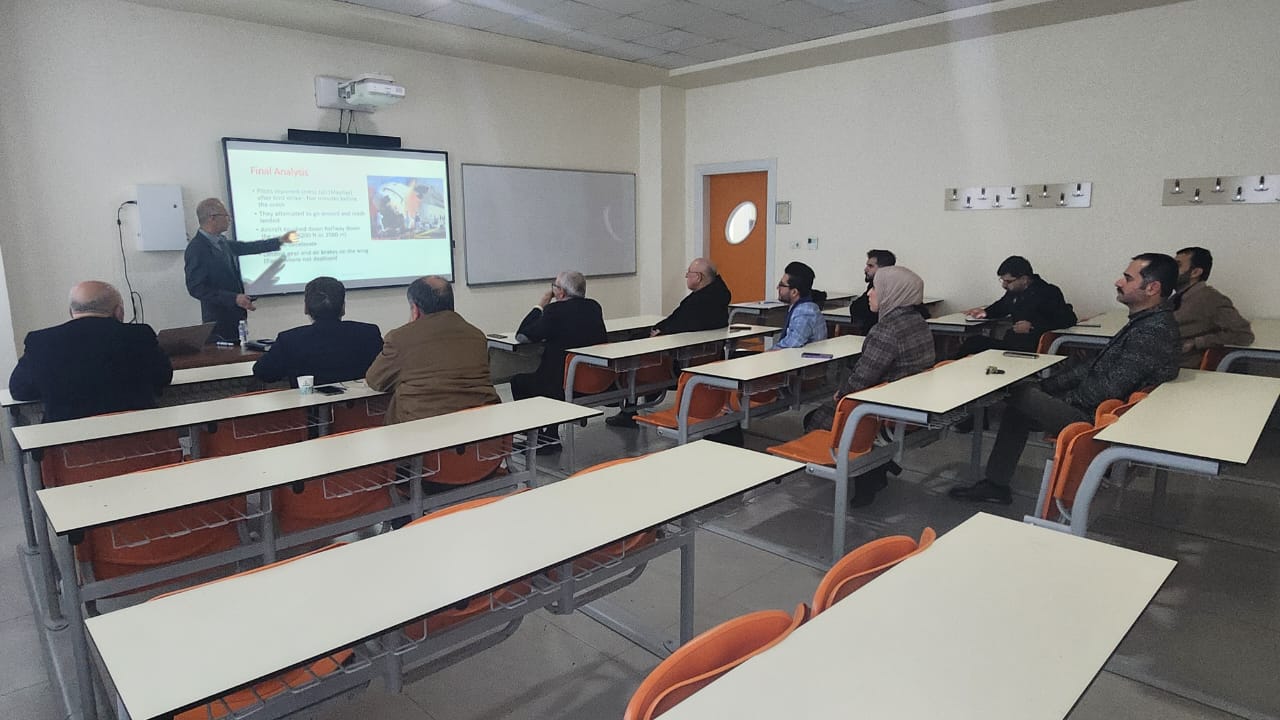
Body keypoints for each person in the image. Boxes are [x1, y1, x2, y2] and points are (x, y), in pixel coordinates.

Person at [949, 253, 1181, 505]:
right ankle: (995, 484)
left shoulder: (1152, 331)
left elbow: (1109, 388)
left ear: (1152, 288)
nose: (1118, 282)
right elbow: (1092, 368)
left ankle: (967, 428)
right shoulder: (1145, 322)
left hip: (1096, 420)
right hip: (1096, 409)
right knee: (1021, 402)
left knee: (1015, 392)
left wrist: (1060, 398)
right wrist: (1047, 386)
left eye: (1128, 278)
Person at [804, 267, 935, 506]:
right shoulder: (918, 322)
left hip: (884, 412)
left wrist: (841, 394)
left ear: (892, 292)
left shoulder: (887, 329)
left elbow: (862, 378)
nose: (869, 293)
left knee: (816, 418)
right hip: (910, 404)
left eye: (875, 288)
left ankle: (866, 474)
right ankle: (876, 470)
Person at [9, 281, 172, 422]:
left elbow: (19, 390)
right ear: (119, 311)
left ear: (71, 312)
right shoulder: (140, 335)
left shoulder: (41, 341)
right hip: (141, 438)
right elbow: (163, 376)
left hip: (68, 443)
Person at [365, 276, 498, 424]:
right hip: (481, 426)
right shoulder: (477, 336)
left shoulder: (400, 339)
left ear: (415, 309)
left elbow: (375, 381)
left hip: (422, 430)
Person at [510, 271, 607, 444]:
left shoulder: (554, 311)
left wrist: (540, 305)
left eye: (554, 286)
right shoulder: (594, 307)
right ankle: (549, 433)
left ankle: (540, 436)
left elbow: (522, 336)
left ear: (561, 292)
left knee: (519, 382)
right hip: (594, 381)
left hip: (562, 386)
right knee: (551, 372)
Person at [184, 197, 299, 342]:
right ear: (212, 218)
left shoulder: (222, 242)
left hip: (236, 318)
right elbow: (196, 288)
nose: (229, 219)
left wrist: (280, 241)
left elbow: (248, 247)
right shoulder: (196, 248)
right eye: (226, 216)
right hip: (218, 323)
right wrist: (233, 298)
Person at [252, 276, 383, 387]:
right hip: (361, 407)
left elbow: (263, 373)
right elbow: (383, 370)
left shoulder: (289, 340)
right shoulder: (369, 333)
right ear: (343, 307)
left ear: (306, 308)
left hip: (307, 408)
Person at [960, 256, 1076, 355]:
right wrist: (985, 312)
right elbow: (1002, 306)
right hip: (1012, 343)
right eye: (1002, 280)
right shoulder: (1014, 291)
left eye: (1008, 281)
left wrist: (1033, 326)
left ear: (1024, 279)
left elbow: (1068, 319)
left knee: (974, 344)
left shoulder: (1048, 292)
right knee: (973, 342)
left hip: (1028, 348)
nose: (1004, 285)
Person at [1172, 246, 1253, 369]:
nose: (1170, 270)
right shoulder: (1175, 297)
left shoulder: (1210, 298)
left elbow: (1243, 334)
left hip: (1179, 367)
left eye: (1177, 265)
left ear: (1195, 272)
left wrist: (1197, 342)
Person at [651, 258, 732, 336]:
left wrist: (660, 331)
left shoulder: (698, 302)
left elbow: (679, 325)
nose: (686, 276)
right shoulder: (720, 294)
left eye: (689, 273)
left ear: (698, 277)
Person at [775, 261, 827, 348]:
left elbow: (791, 345)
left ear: (794, 292)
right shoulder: (802, 306)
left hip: (797, 356)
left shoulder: (804, 311)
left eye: (781, 285)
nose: (777, 288)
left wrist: (765, 353)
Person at [847, 249, 896, 335]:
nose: (866, 269)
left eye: (870, 266)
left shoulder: (883, 288)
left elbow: (858, 309)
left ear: (883, 269)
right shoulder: (874, 285)